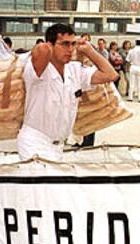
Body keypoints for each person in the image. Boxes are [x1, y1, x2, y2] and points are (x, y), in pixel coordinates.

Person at [16, 23, 118, 161]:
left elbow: (111, 75)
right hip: (34, 144)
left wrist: (89, 51)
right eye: (64, 44)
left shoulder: (75, 70)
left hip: (58, 147)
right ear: (50, 45)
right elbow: (41, 50)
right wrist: (49, 46)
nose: (70, 49)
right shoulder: (37, 70)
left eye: (72, 44)